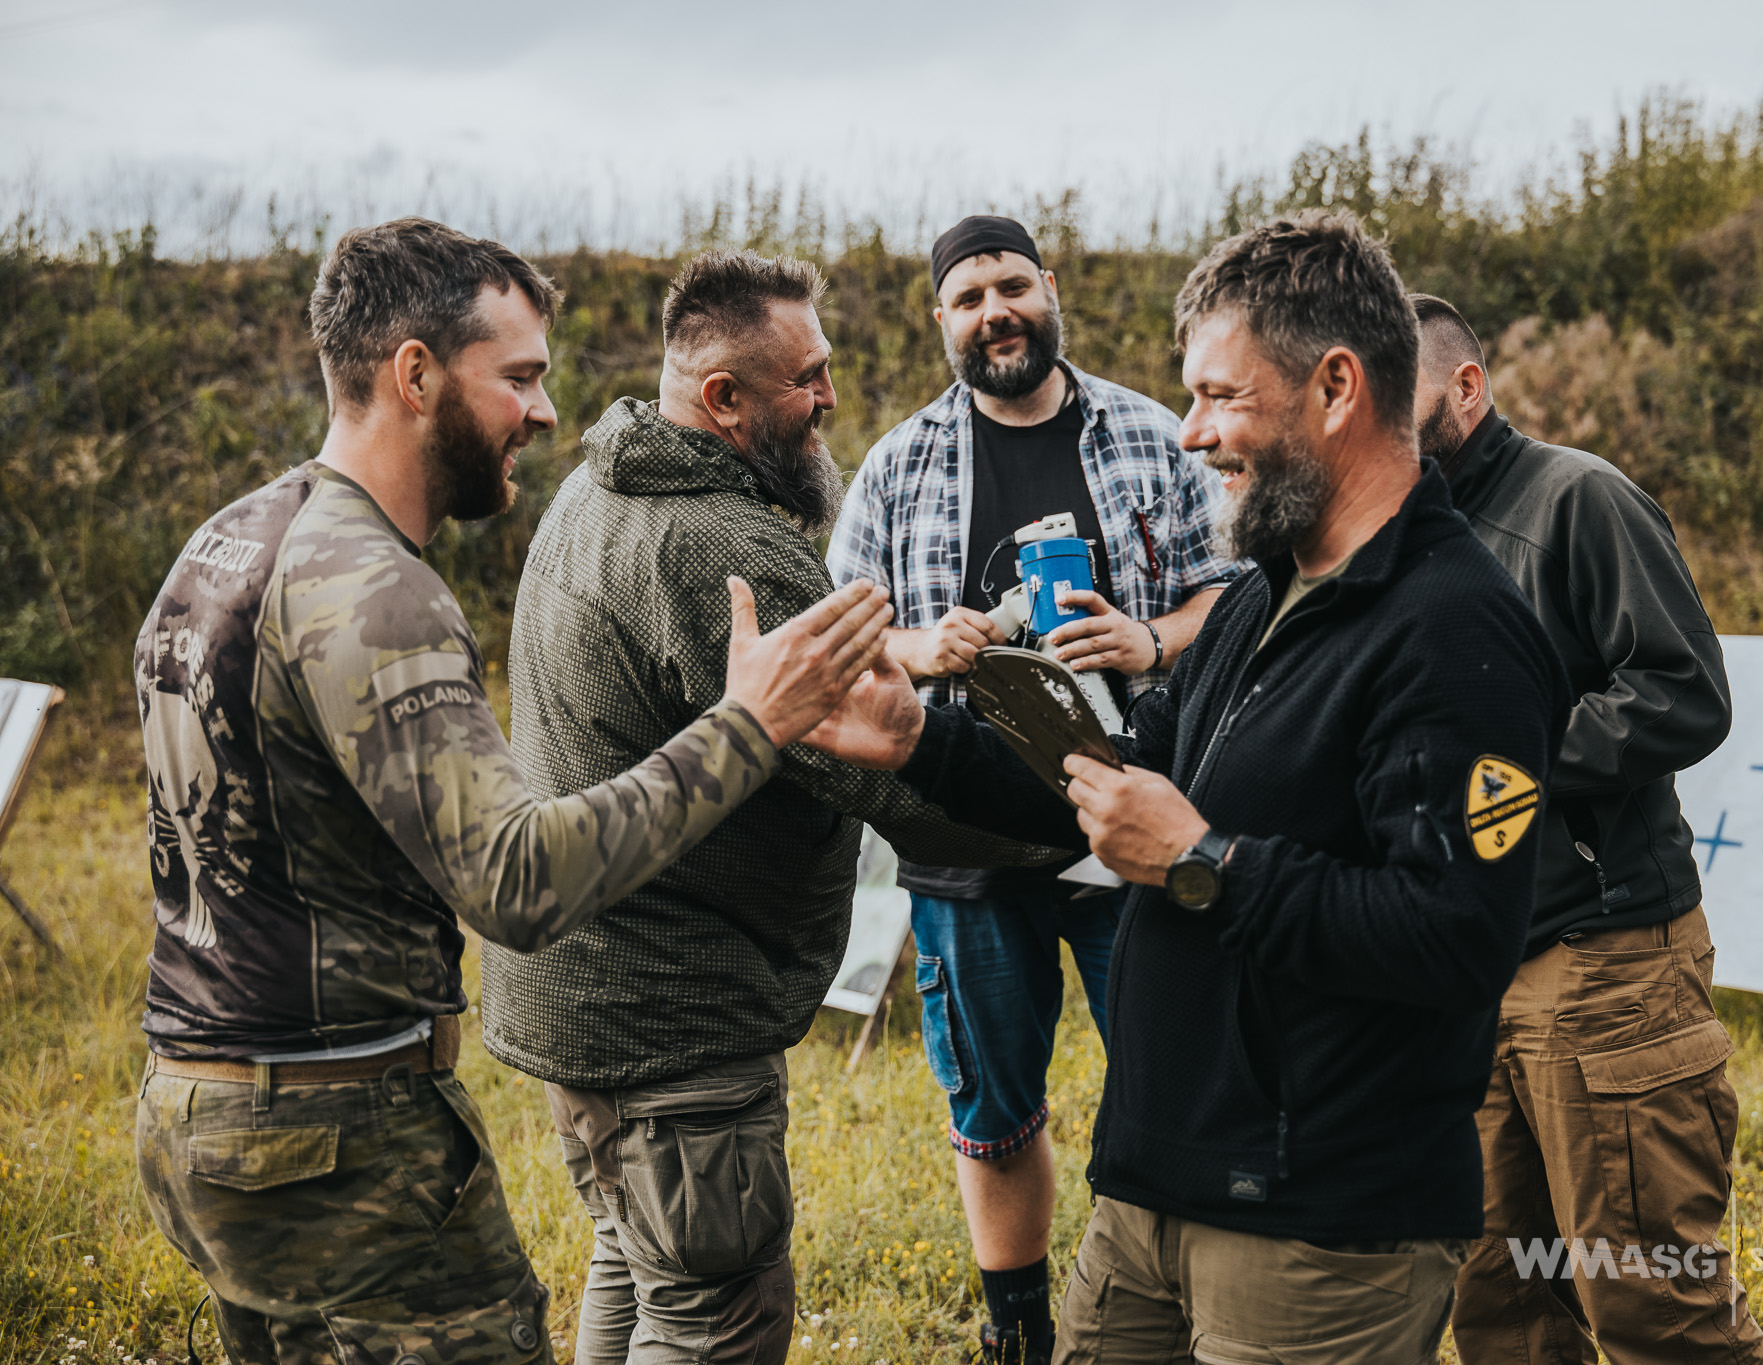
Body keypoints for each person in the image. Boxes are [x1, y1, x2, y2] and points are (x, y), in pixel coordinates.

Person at [809, 212, 1570, 1365]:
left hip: (1317, 1227)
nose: (1193, 433)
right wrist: (917, 738)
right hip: (1149, 1192)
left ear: (1334, 387)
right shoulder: (1262, 596)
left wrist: (1203, 862)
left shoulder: (1457, 632)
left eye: (1220, 398)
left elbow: (1455, 939)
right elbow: (1111, 780)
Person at [131, 219, 891, 1364]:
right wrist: (749, 725)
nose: (545, 413)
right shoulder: (380, 594)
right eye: (521, 378)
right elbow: (516, 881)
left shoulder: (228, 543)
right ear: (416, 373)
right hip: (341, 1137)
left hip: (196, 1109)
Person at [483, 248, 1051, 1365]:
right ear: (722, 399)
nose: (832, 397)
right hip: (673, 1020)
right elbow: (890, 777)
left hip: (578, 995)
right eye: (807, 379)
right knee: (714, 1318)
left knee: (633, 1261)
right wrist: (1077, 816)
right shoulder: (720, 549)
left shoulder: (592, 490)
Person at [825, 215, 1239, 1363]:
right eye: (966, 298)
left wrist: (1148, 638)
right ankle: (1018, 1338)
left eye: (1010, 285)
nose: (993, 310)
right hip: (965, 833)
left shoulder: (1152, 434)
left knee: (1170, 1084)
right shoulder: (897, 463)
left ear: (1047, 289)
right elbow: (840, 634)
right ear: (940, 322)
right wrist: (917, 647)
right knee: (994, 1118)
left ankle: (1193, 1317)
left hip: (1131, 818)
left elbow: (1236, 597)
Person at [1409, 293, 1763, 1364]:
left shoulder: (1578, 499)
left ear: (1465, 389)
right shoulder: (1404, 536)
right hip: (1465, 975)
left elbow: (1681, 690)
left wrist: (1502, 770)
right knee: (1496, 1308)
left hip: (1604, 963)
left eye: (1400, 399)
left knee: (1654, 1309)